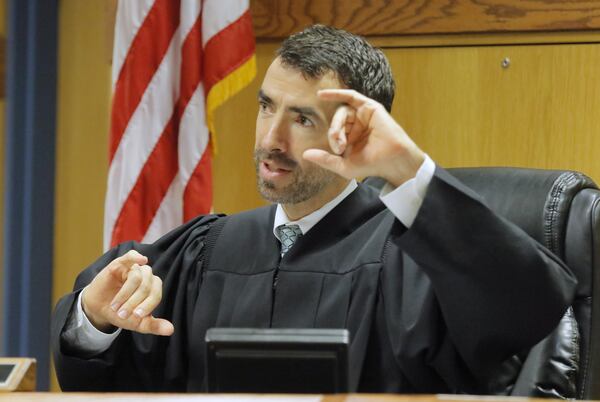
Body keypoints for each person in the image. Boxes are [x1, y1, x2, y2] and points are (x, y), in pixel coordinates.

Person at [52, 25, 577, 393]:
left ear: (356, 129)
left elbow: (526, 308)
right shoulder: (207, 252)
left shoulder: (414, 256)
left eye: (302, 118)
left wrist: (407, 172)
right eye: (266, 107)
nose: (271, 140)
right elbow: (110, 368)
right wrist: (94, 319)